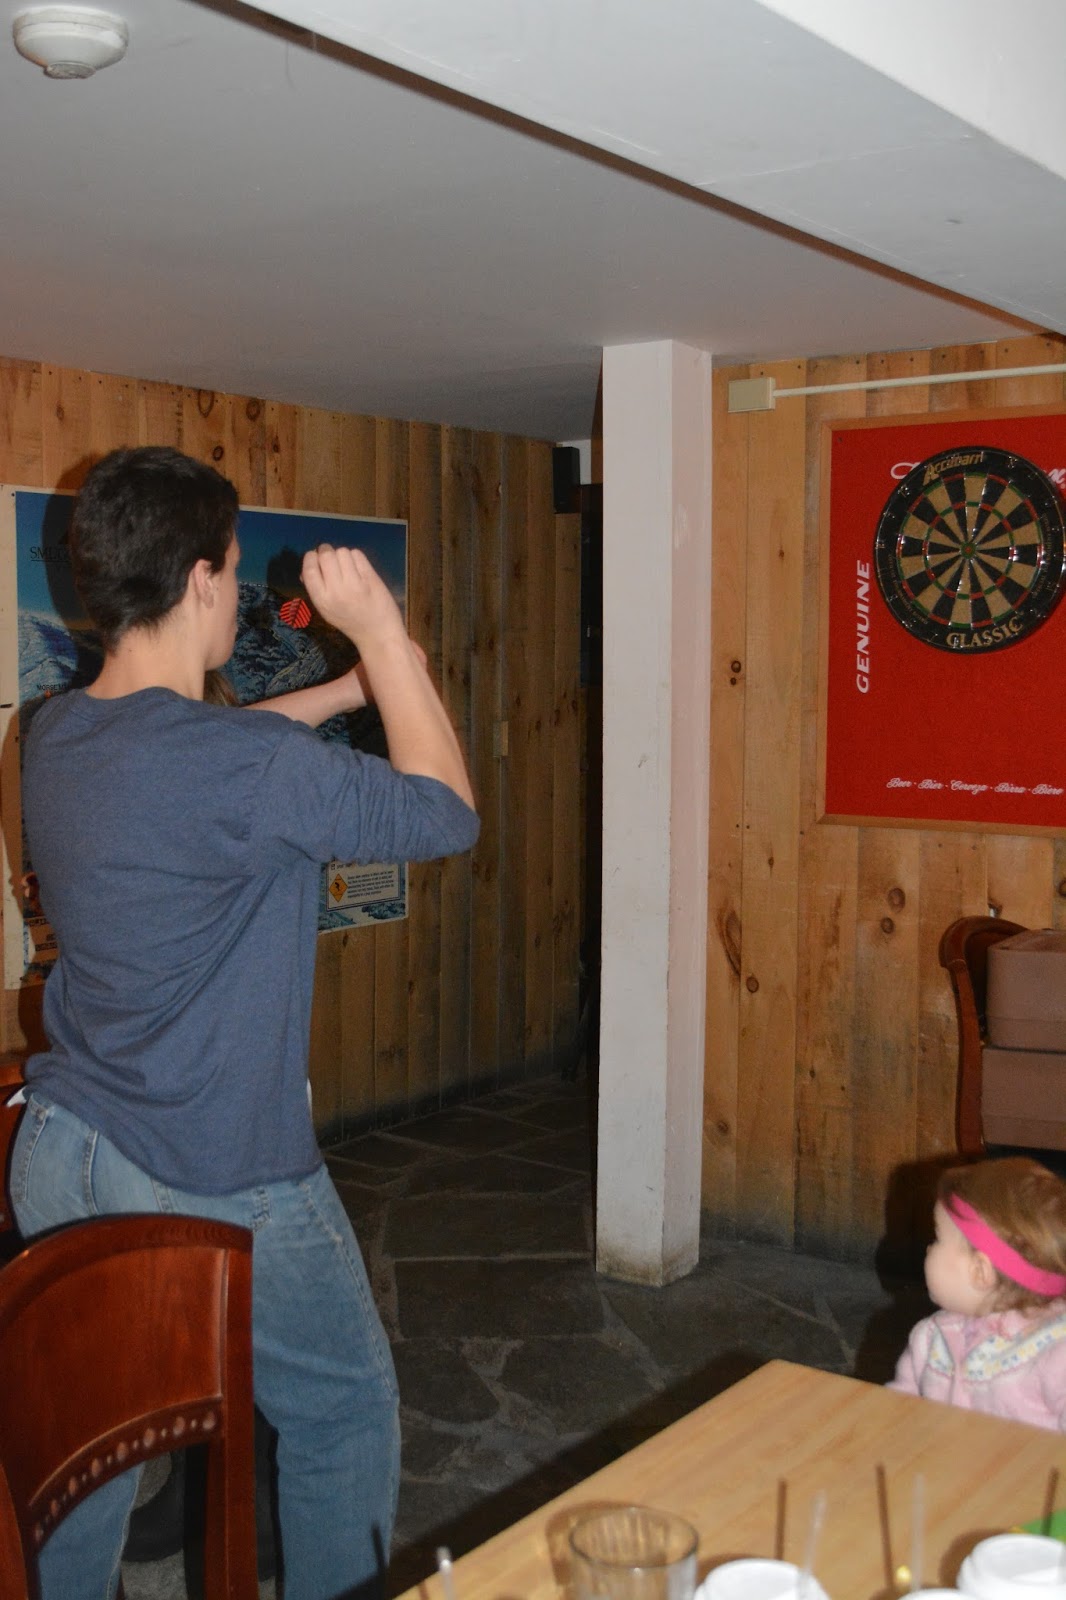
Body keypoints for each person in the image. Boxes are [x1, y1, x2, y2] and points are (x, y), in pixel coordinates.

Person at [10, 444, 479, 1600]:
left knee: (87, 1452)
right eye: (228, 566)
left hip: (66, 1152)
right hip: (217, 1168)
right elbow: (445, 814)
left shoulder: (55, 734)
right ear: (204, 579)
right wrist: (381, 637)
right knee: (342, 1411)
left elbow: (216, 759)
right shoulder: (242, 765)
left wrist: (340, 696)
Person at [889, 1157, 1066, 1430]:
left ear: (980, 1271)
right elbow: (893, 1412)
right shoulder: (931, 1338)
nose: (928, 1248)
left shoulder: (1056, 1354)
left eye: (937, 1238)